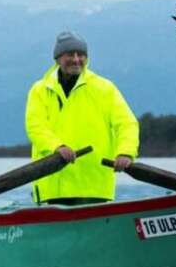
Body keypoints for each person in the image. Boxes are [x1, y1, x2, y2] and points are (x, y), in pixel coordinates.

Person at [25, 31, 139, 205]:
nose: (76, 59)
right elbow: (35, 126)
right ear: (58, 58)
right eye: (70, 54)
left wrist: (125, 152)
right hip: (52, 185)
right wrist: (57, 146)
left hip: (94, 184)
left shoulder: (105, 88)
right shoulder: (39, 90)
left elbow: (127, 123)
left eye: (81, 55)